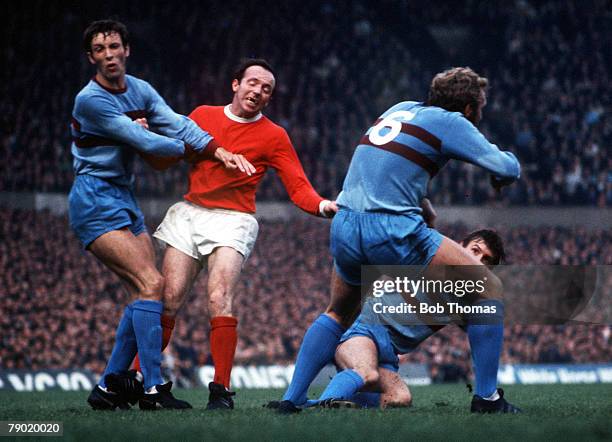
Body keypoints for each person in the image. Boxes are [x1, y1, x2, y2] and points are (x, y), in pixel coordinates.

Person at [277, 67, 521, 413]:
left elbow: (383, 169)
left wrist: (424, 204)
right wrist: (506, 169)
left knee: (338, 312)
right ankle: (487, 398)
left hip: (345, 222)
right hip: (390, 228)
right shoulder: (452, 122)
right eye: (478, 109)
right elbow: (506, 167)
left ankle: (292, 400)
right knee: (488, 288)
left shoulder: (398, 108)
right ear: (469, 108)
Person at [130, 58, 337, 409]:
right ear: (235, 84)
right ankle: (138, 379)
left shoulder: (274, 136)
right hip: (190, 213)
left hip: (234, 218)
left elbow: (298, 186)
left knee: (219, 297)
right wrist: (144, 137)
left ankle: (221, 390)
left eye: (266, 88)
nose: (258, 91)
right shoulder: (203, 115)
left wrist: (321, 206)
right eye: (253, 83)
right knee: (169, 300)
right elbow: (169, 158)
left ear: (270, 98)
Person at [70, 19, 250, 411]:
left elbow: (177, 123)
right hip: (95, 199)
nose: (109, 55)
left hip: (124, 197)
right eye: (99, 50)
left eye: (114, 46)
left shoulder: (141, 90)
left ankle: (108, 387)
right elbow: (145, 140)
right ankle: (152, 388)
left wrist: (216, 150)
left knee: (142, 292)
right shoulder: (91, 100)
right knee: (152, 284)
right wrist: (185, 147)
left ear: (126, 49)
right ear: (91, 58)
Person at [314, 229, 521, 413]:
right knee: (363, 370)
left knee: (400, 399)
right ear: (459, 248)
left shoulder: (463, 302)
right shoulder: (429, 260)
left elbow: (484, 335)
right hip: (361, 336)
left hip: (387, 359)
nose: (478, 262)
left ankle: (342, 403)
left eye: (486, 261)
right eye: (475, 251)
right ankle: (322, 405)